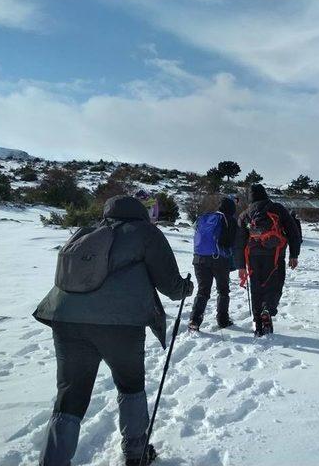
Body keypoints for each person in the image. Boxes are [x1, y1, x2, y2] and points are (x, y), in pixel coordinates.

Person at [33, 195, 193, 466]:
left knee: (70, 395)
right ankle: (135, 453)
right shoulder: (145, 232)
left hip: (66, 320)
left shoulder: (88, 232)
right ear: (142, 212)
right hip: (121, 325)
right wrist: (185, 288)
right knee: (131, 385)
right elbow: (170, 286)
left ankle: (53, 461)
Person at [235, 184, 301, 336]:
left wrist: (240, 266)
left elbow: (239, 242)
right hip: (275, 254)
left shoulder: (245, 214)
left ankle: (258, 322)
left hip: (253, 258)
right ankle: (268, 309)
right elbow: (293, 232)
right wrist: (294, 255)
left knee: (256, 287)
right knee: (275, 285)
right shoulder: (277, 208)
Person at [188, 197, 237, 332]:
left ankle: (194, 320)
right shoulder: (228, 219)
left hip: (199, 258)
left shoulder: (206, 217)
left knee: (203, 291)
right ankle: (223, 320)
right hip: (219, 259)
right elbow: (233, 242)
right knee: (223, 290)